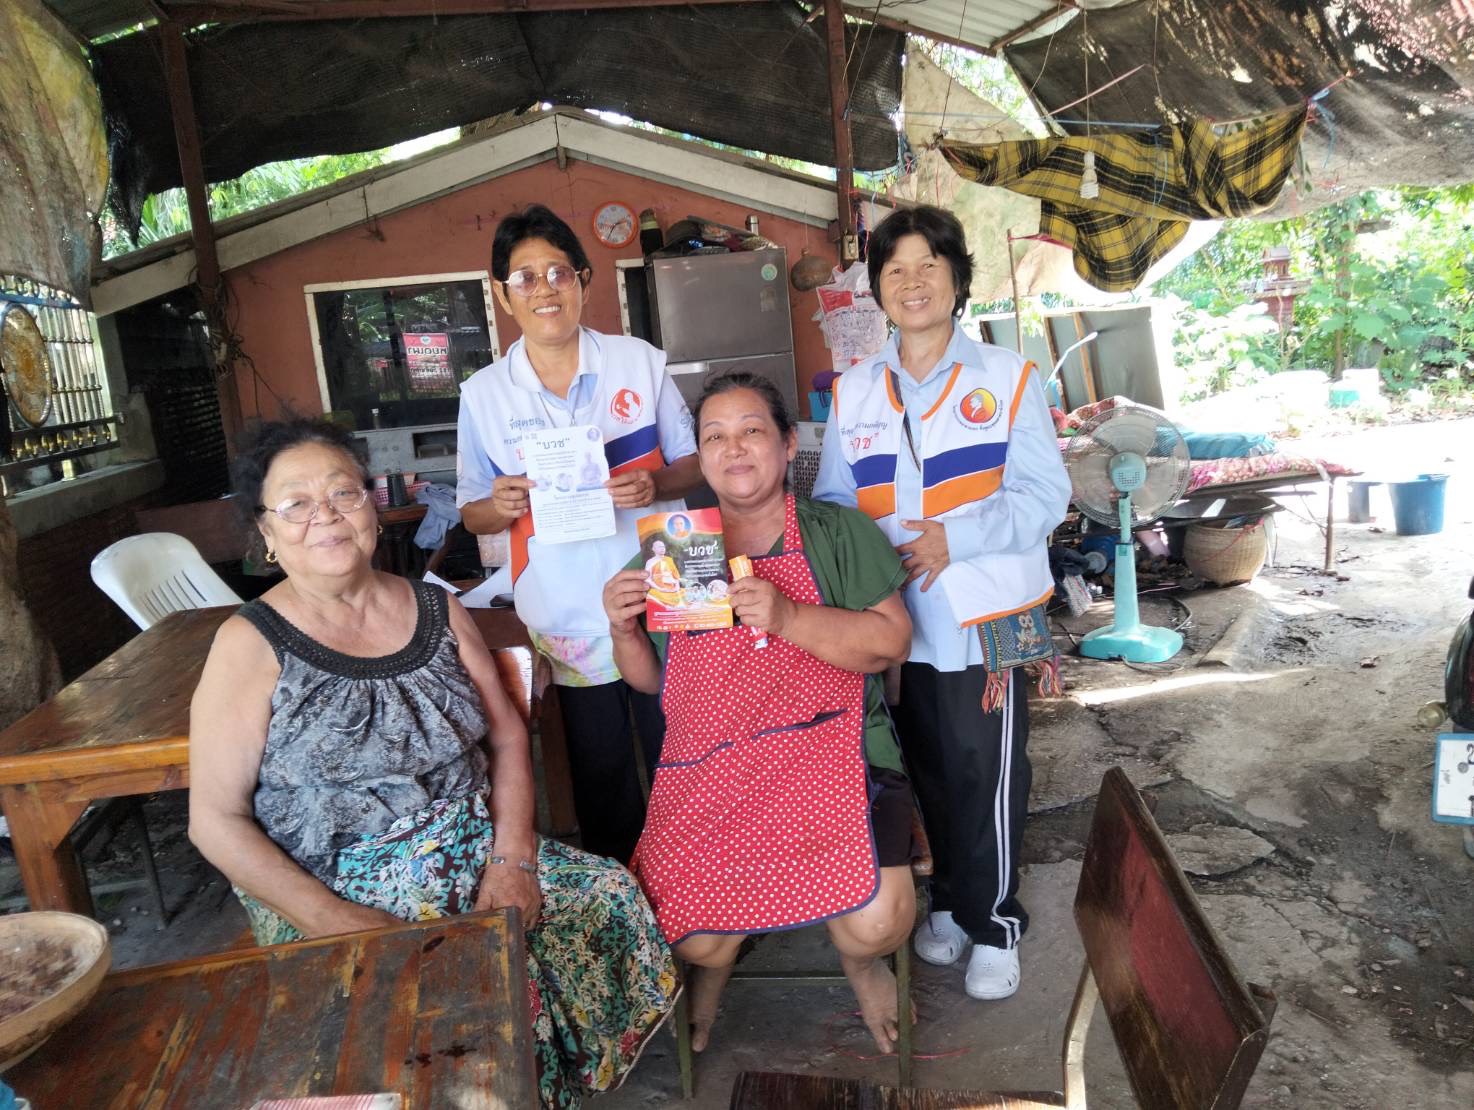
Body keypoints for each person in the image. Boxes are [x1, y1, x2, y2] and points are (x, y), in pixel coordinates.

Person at [189, 418, 677, 1109]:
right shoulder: (249, 643)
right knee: (472, 991)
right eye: (295, 503)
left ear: (373, 506)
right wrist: (337, 920)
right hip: (334, 878)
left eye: (343, 493)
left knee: (609, 896)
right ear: (265, 533)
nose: (324, 515)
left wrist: (513, 863)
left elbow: (507, 737)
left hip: (472, 842)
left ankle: (551, 1084)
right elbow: (214, 820)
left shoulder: (434, 606)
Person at [602, 373, 916, 1055]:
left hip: (835, 753)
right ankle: (718, 966)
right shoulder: (674, 553)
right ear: (702, 456)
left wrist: (791, 615)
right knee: (691, 936)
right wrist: (623, 630)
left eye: (751, 430)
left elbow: (890, 641)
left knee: (879, 923)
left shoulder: (838, 533)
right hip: (714, 766)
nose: (733, 448)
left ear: (786, 444)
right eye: (714, 436)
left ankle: (859, 963)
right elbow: (655, 682)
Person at [814, 205, 1071, 1002]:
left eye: (930, 264)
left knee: (985, 770)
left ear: (957, 280)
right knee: (925, 768)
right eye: (896, 269)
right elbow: (832, 501)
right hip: (898, 624)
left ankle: (995, 921)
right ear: (877, 290)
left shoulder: (1007, 377)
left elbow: (1044, 495)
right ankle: (955, 904)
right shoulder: (854, 390)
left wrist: (953, 539)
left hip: (986, 617)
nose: (913, 281)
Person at [456, 204, 702, 865]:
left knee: (684, 751)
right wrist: (499, 503)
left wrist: (657, 484)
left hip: (666, 584)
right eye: (524, 277)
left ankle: (701, 888)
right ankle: (625, 898)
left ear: (585, 280)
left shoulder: (639, 363)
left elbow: (696, 462)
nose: (544, 289)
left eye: (557, 272)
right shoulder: (484, 395)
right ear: (504, 296)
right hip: (564, 603)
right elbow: (470, 511)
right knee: (602, 773)